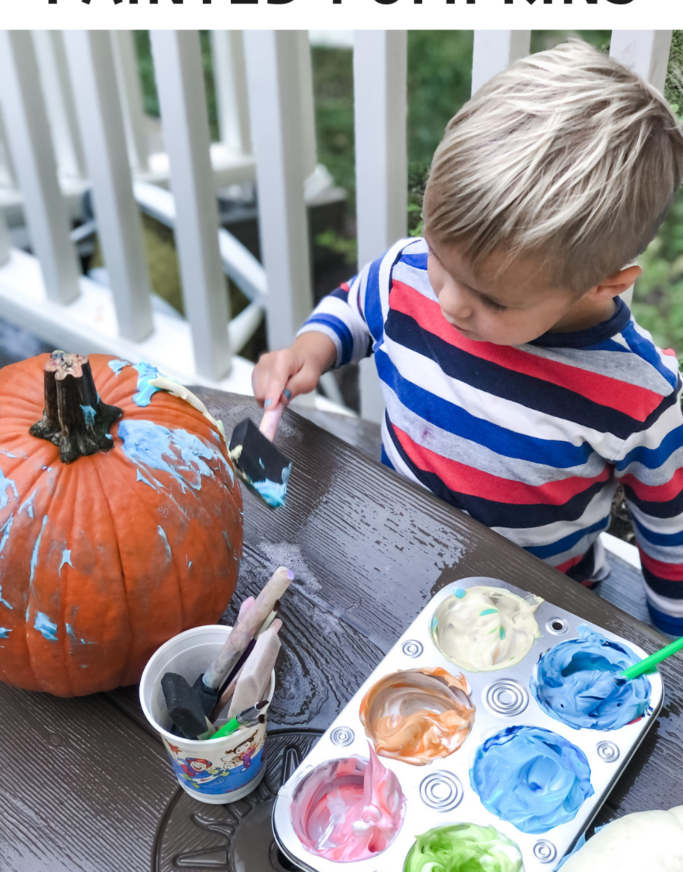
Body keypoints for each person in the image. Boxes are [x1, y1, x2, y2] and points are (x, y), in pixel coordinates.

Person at [252, 40, 683, 637]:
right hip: (393, 553)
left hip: (529, 612)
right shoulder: (408, 275)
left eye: (493, 300)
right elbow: (357, 305)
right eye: (439, 258)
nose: (449, 303)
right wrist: (310, 350)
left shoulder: (637, 396)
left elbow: (669, 532)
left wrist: (670, 636)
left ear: (602, 285)